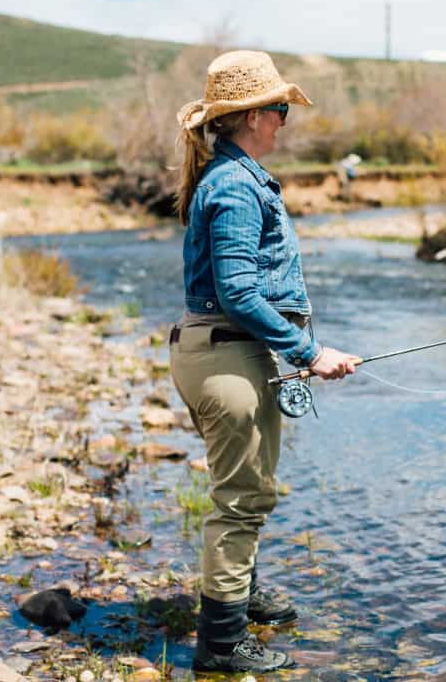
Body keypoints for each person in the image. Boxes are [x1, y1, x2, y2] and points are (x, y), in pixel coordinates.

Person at [170, 50, 359, 673]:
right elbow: (239, 292)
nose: (285, 120)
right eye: (280, 109)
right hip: (227, 358)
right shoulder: (232, 184)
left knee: (248, 490)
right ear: (252, 116)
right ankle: (220, 647)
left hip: (232, 354)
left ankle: (239, 596)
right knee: (242, 500)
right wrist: (310, 352)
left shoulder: (231, 176)